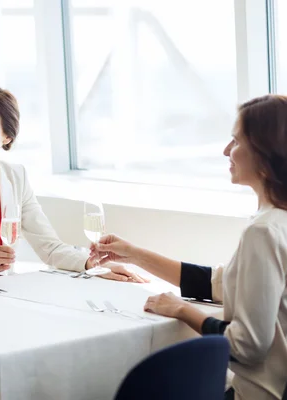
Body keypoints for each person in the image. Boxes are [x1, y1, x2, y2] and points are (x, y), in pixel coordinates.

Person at [93, 95, 287, 400]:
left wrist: (182, 310)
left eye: (235, 141)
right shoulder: (276, 222)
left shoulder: (263, 232)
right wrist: (135, 255)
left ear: (265, 155)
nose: (226, 150)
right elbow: (220, 284)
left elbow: (247, 346)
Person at [0, 86, 146, 286]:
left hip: (3, 296)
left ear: (7, 137)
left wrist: (92, 264)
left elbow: (49, 247)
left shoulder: (16, 177)